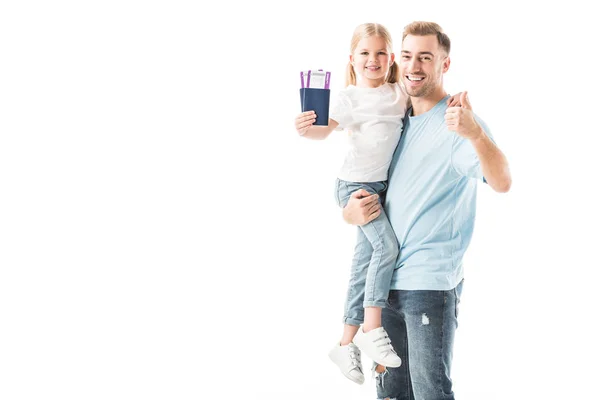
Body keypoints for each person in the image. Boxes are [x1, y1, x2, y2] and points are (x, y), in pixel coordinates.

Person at [342, 21, 512, 399]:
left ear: (444, 64)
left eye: (425, 57)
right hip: (383, 286)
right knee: (390, 394)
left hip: (428, 286)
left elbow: (502, 182)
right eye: (406, 56)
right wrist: (348, 213)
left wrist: (475, 134)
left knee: (430, 392)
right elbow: (362, 183)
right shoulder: (395, 119)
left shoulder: (458, 123)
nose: (414, 66)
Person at [294, 23, 462, 386]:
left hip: (379, 188)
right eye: (365, 53)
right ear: (352, 59)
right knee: (386, 248)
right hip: (356, 186)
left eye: (382, 53)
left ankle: (345, 341)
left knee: (364, 259)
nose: (374, 59)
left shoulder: (396, 92)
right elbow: (325, 129)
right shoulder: (350, 98)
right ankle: (371, 327)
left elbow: (424, 86)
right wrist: (309, 127)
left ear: (391, 59)